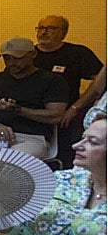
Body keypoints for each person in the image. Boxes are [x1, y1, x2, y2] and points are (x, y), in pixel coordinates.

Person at [0, 38, 68, 220]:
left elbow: (56, 115)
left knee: (4, 161)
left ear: (32, 54)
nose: (11, 63)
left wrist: (18, 110)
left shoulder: (52, 80)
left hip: (33, 138)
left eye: (17, 58)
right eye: (7, 58)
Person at [33, 15, 103, 167]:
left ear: (63, 32)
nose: (44, 32)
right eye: (41, 28)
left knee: (72, 150)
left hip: (67, 117)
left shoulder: (77, 53)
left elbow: (100, 80)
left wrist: (76, 107)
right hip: (31, 119)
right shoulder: (27, 55)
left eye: (51, 28)